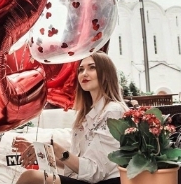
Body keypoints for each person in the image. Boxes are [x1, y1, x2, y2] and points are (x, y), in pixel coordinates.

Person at [13, 51, 129, 184]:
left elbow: (95, 172)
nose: (84, 73)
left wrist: (56, 148)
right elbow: (77, 168)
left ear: (106, 73)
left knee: (31, 178)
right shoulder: (84, 116)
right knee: (31, 177)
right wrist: (43, 154)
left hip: (109, 181)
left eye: (92, 67)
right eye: (81, 70)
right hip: (88, 180)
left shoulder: (113, 110)